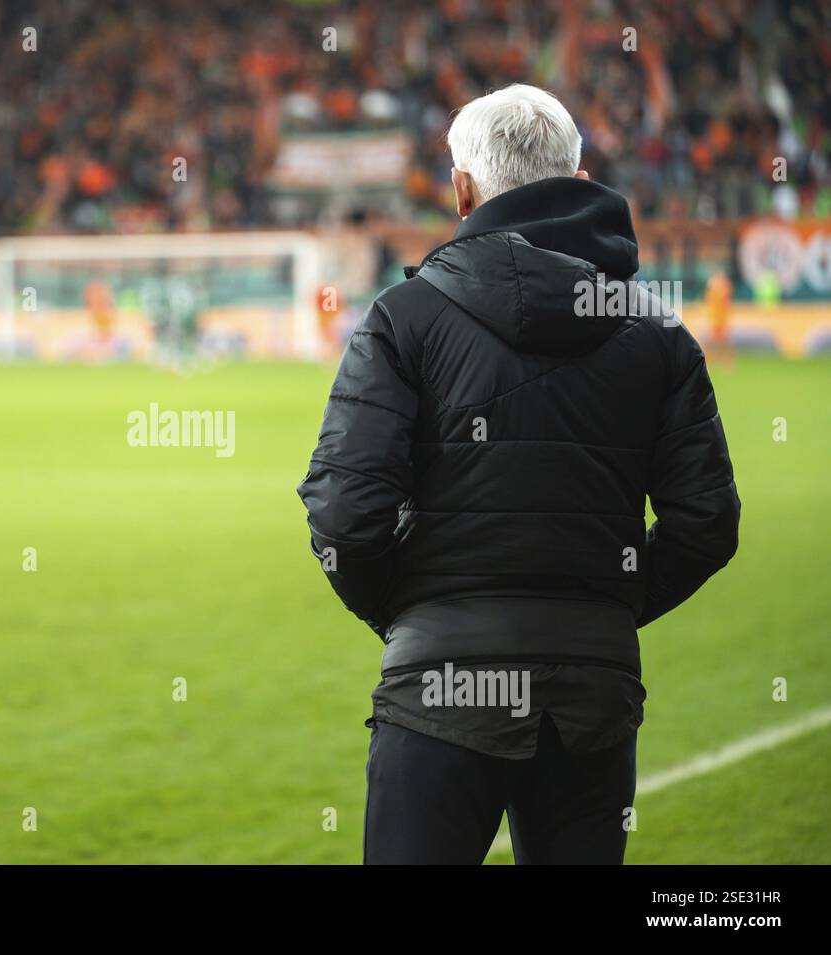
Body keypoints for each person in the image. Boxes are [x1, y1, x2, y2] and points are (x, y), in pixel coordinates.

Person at [297, 85, 741, 865]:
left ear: (463, 189)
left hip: (438, 689)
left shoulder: (404, 318)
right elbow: (706, 521)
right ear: (575, 172)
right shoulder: (659, 333)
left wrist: (411, 614)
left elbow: (343, 512)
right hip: (593, 698)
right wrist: (602, 604)